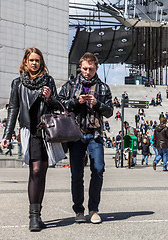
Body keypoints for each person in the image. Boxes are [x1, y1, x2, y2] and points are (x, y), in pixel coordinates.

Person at [1, 47, 62, 231]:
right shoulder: (18, 83)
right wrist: (7, 135)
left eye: (37, 60)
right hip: (30, 130)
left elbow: (57, 105)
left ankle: (38, 213)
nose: (34, 63)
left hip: (46, 131)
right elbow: (13, 109)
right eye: (31, 60)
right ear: (25, 62)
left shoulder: (49, 81)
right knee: (35, 170)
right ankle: (33, 218)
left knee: (41, 173)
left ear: (41, 62)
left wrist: (50, 97)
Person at [58, 52, 113, 224]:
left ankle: (94, 209)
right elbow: (59, 103)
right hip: (76, 135)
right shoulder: (70, 85)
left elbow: (110, 111)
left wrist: (97, 103)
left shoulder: (103, 88)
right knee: (77, 174)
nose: (87, 72)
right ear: (80, 67)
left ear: (96, 68)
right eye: (84, 68)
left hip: (95, 134)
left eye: (90, 69)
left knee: (98, 169)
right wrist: (76, 101)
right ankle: (79, 210)